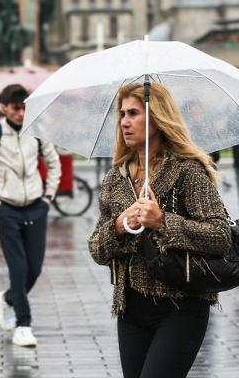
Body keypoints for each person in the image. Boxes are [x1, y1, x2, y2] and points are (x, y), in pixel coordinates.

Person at [88, 82, 231, 378]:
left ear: (156, 118)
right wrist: (118, 226)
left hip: (181, 304)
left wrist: (162, 221)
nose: (124, 121)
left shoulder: (187, 171)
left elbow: (220, 235)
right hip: (130, 308)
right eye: (122, 114)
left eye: (133, 114)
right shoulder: (116, 178)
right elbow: (96, 249)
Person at [0, 84, 61, 347]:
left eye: (24, 107)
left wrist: (48, 198)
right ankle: (23, 324)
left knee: (34, 268)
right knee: (19, 267)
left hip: (36, 205)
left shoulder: (37, 131)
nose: (21, 113)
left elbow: (54, 163)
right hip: (7, 208)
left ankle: (8, 298)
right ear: (4, 108)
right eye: (15, 108)